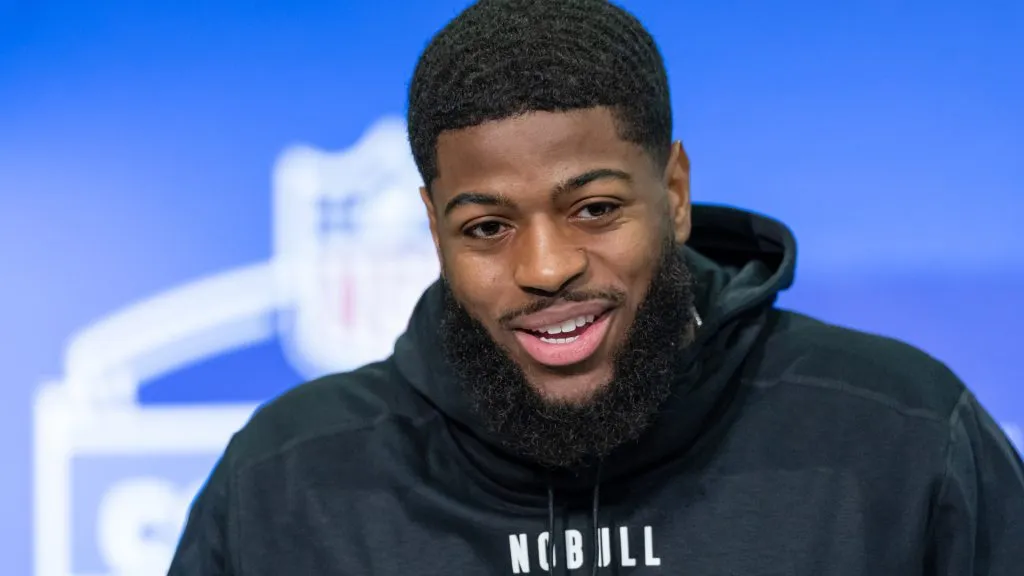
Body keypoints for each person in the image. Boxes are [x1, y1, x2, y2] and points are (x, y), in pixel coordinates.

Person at [169, 0, 1024, 574]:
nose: (546, 269)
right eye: (487, 228)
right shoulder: (288, 481)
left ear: (675, 194)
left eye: (595, 207)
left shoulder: (900, 436)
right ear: (434, 230)